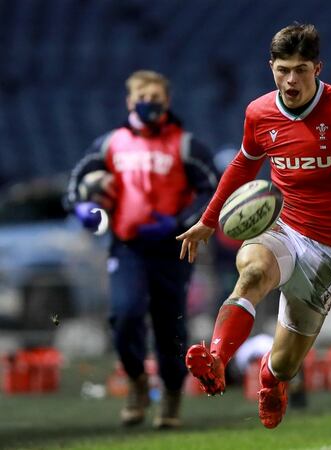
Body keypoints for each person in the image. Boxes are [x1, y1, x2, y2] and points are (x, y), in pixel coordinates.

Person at [176, 24, 331, 430]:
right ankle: (217, 359)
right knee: (252, 271)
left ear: (317, 68)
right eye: (283, 69)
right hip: (282, 228)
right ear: (271, 66)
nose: (291, 79)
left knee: (287, 362)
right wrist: (207, 220)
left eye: (301, 69)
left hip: (329, 250)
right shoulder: (259, 113)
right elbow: (242, 166)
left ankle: (271, 380)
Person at [65, 70, 219, 429]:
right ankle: (136, 380)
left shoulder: (185, 145)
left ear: (167, 101)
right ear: (129, 100)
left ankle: (171, 394)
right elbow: (77, 182)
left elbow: (213, 190)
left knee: (170, 325)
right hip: (128, 247)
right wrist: (81, 208)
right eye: (142, 96)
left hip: (174, 248)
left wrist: (180, 220)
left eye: (156, 97)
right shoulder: (111, 144)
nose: (149, 103)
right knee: (125, 315)